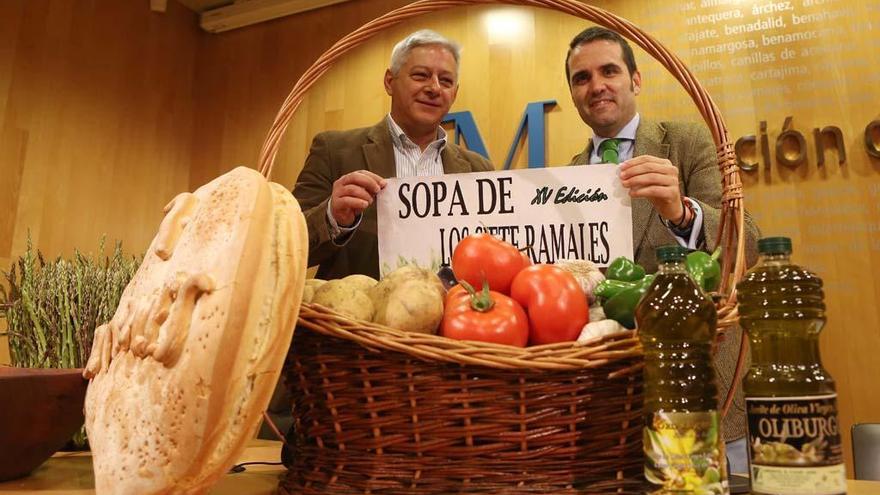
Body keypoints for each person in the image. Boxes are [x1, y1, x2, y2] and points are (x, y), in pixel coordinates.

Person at [564, 26, 760, 473]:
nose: (597, 86)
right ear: (574, 94)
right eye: (582, 78)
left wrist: (682, 212)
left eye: (609, 71)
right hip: (606, 406)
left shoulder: (688, 141)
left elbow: (745, 240)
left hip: (700, 385)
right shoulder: (570, 172)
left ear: (636, 80)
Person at [292, 29, 494, 281]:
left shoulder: (480, 169)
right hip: (356, 319)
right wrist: (332, 216)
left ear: (454, 93)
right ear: (390, 81)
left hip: (456, 316)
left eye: (446, 81)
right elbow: (286, 246)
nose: (434, 88)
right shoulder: (333, 150)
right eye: (421, 75)